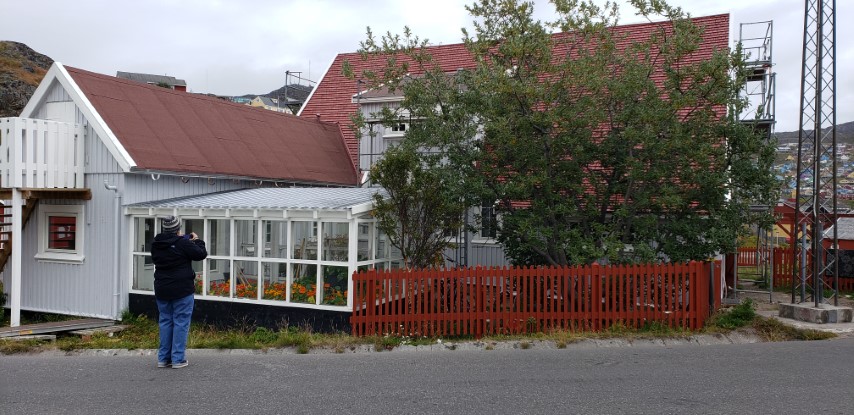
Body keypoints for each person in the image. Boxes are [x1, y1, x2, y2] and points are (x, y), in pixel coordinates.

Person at [151, 215, 207, 369]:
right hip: (182, 289)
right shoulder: (183, 243)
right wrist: (197, 240)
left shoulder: (156, 244)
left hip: (162, 288)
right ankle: (178, 359)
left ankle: (163, 359)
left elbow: (170, 247)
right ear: (177, 229)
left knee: (165, 321)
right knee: (181, 322)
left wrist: (180, 239)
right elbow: (201, 254)